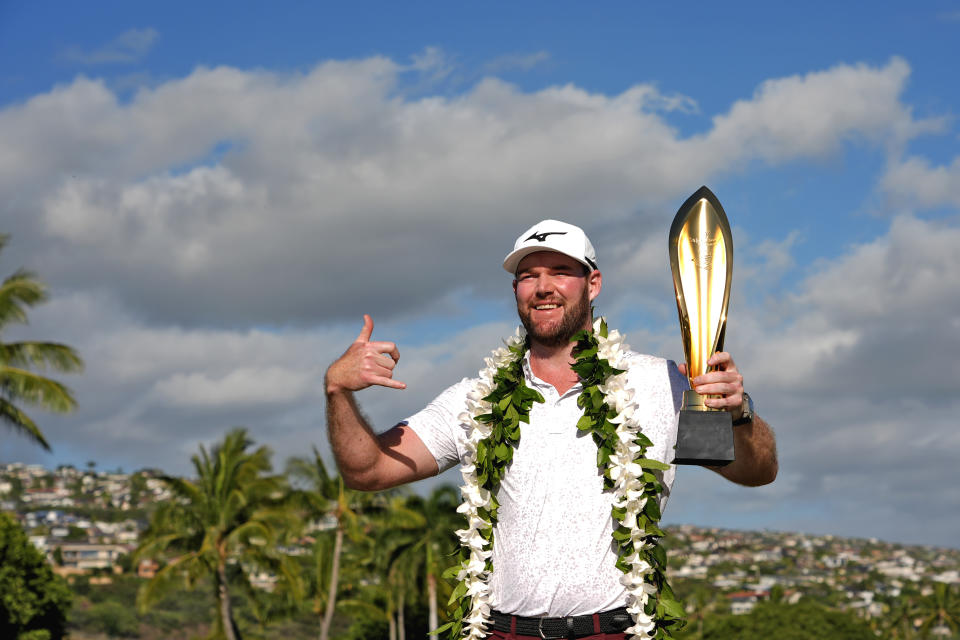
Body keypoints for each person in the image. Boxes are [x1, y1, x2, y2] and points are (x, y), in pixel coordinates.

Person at [325, 219, 778, 639]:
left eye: (561, 271)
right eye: (528, 275)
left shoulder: (660, 382)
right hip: (501, 631)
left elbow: (757, 470)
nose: (543, 287)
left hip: (618, 631)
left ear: (593, 283)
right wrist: (338, 392)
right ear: (516, 290)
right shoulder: (475, 398)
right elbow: (368, 471)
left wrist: (738, 414)